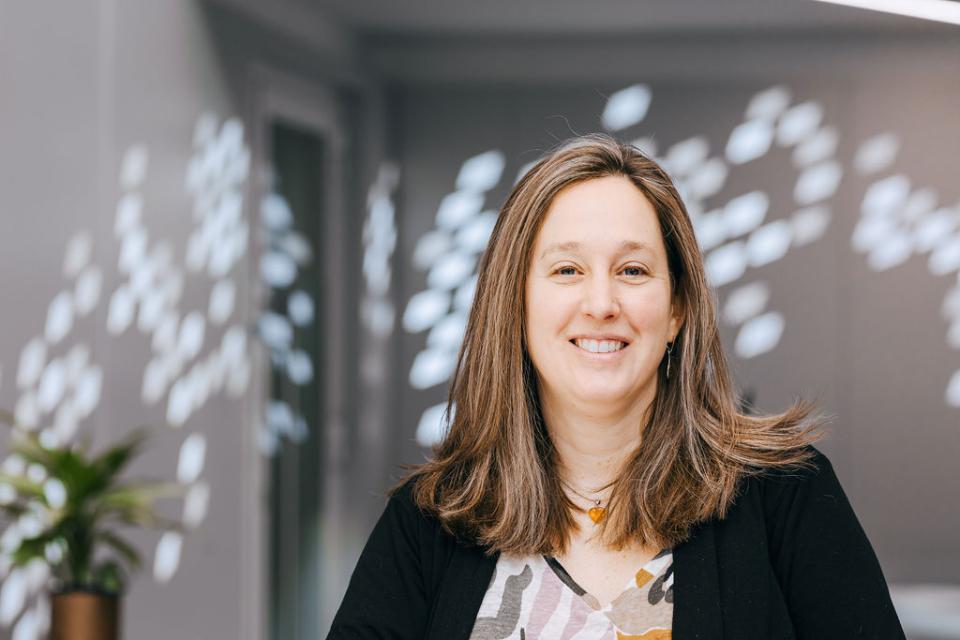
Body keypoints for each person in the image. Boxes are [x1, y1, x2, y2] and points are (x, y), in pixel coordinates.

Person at [327, 134, 905, 639]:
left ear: (677, 305)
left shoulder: (787, 496)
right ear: (518, 303)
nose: (601, 304)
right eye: (567, 270)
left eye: (632, 270)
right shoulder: (431, 518)